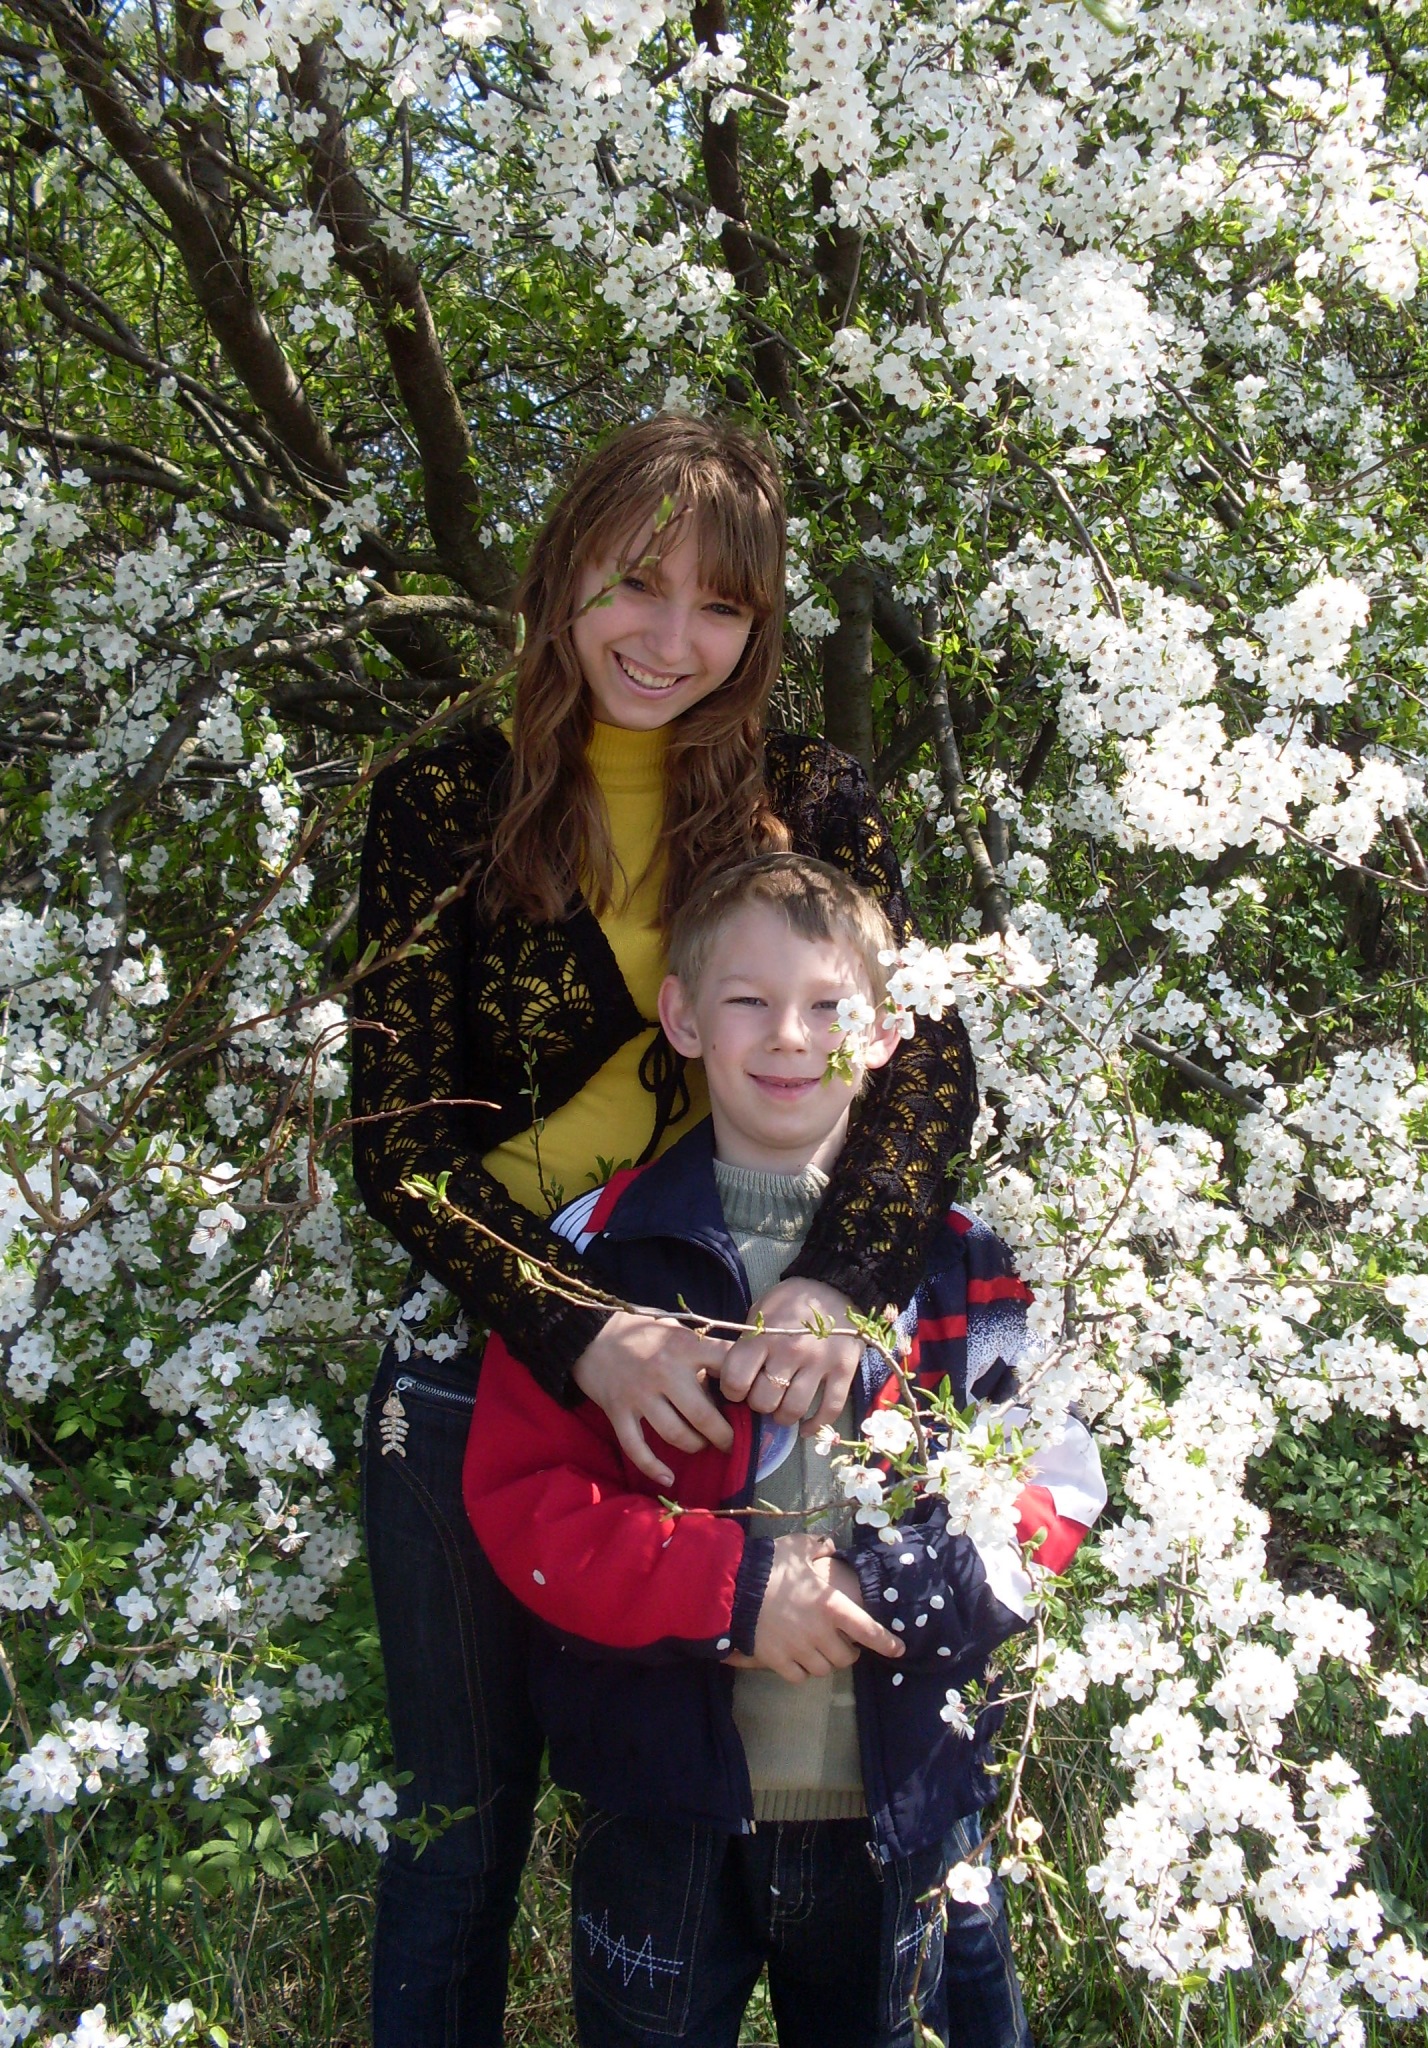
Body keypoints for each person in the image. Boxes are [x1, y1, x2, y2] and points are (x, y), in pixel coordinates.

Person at [350, 416, 980, 2047]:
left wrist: (839, 1284)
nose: (669, 636)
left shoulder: (807, 798)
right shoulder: (441, 801)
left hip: (757, 1363)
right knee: (459, 1829)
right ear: (561, 575)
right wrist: (583, 1327)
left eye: (721, 605)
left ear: (760, 629)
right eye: (636, 583)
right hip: (482, 1370)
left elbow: (923, 1062)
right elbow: (399, 1140)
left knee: (763, 1809)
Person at [462, 855, 1107, 2048]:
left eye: (827, 1004)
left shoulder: (969, 1262)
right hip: (658, 1795)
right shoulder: (594, 1257)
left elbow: (1052, 1483)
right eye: (748, 1001)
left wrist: (888, 1585)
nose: (790, 1036)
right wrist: (737, 1592)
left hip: (903, 1793)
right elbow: (523, 1497)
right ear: (683, 1016)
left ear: (888, 1031)